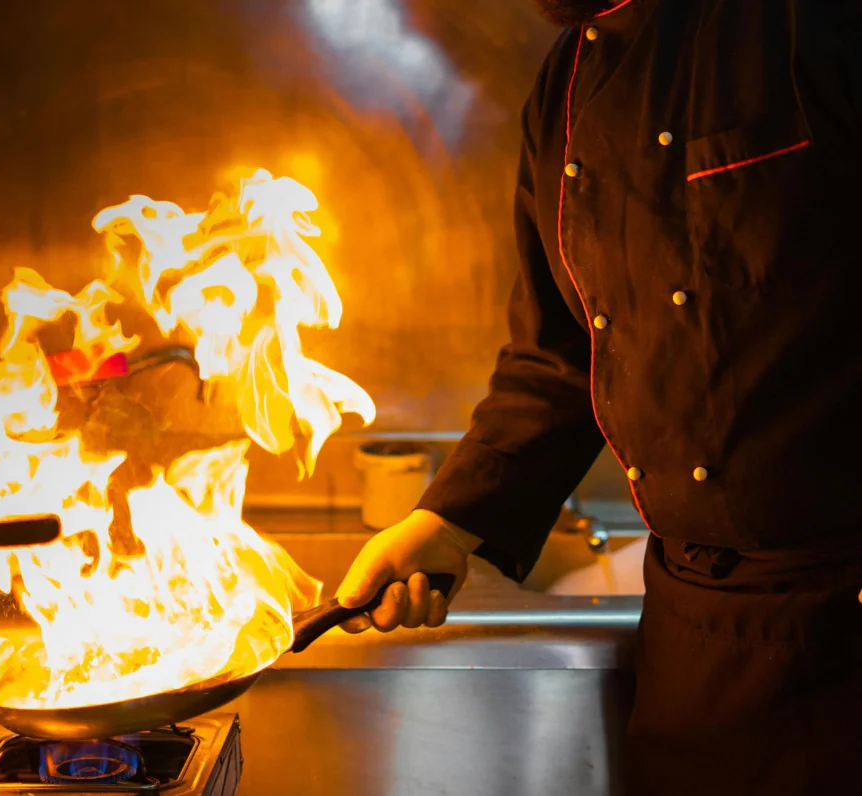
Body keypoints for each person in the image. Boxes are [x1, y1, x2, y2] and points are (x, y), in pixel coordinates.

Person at [337, 1, 862, 793]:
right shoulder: (564, 89)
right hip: (693, 639)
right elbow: (561, 355)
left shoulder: (799, 22)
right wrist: (449, 521)